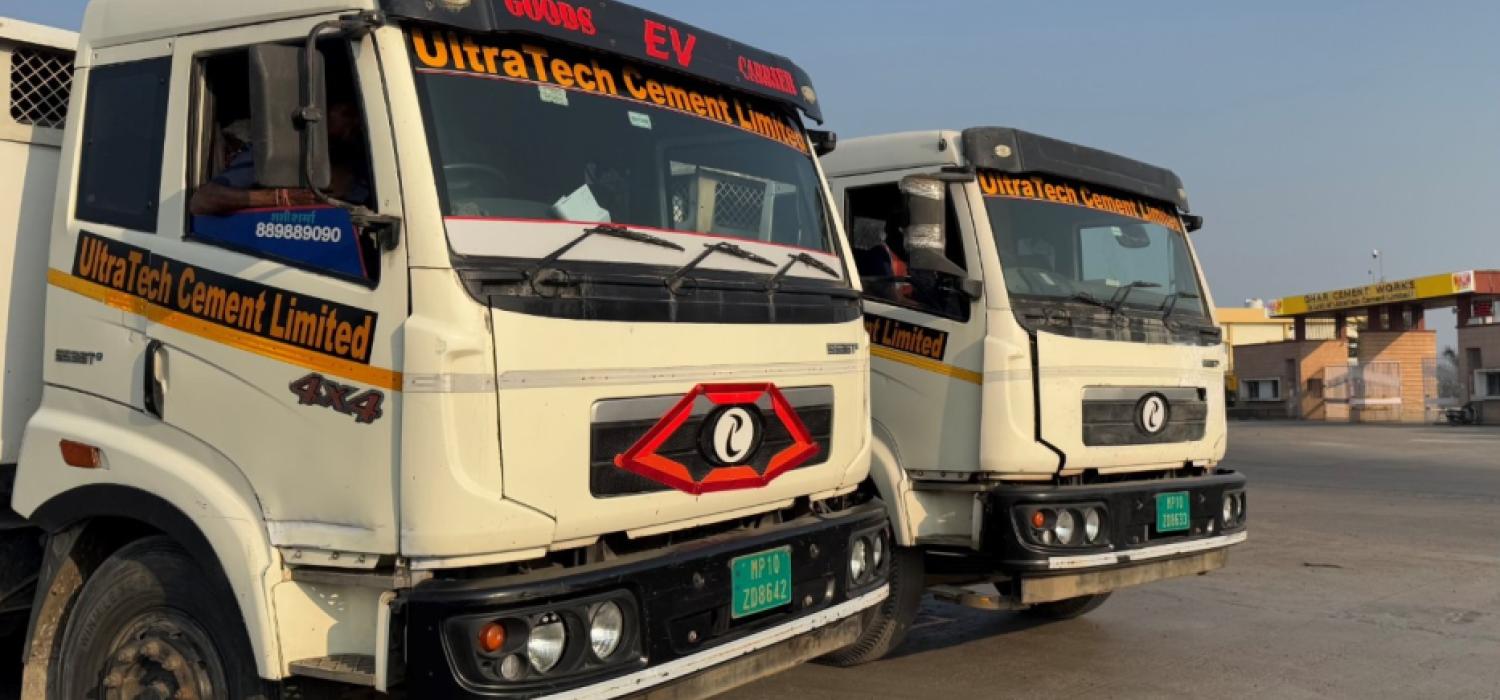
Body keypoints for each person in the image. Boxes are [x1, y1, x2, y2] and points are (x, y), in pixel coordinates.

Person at [189, 97, 371, 217]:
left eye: (359, 117)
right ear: (317, 113)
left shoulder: (364, 163)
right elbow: (202, 200)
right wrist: (281, 198)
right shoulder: (278, 153)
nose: (354, 123)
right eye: (347, 114)